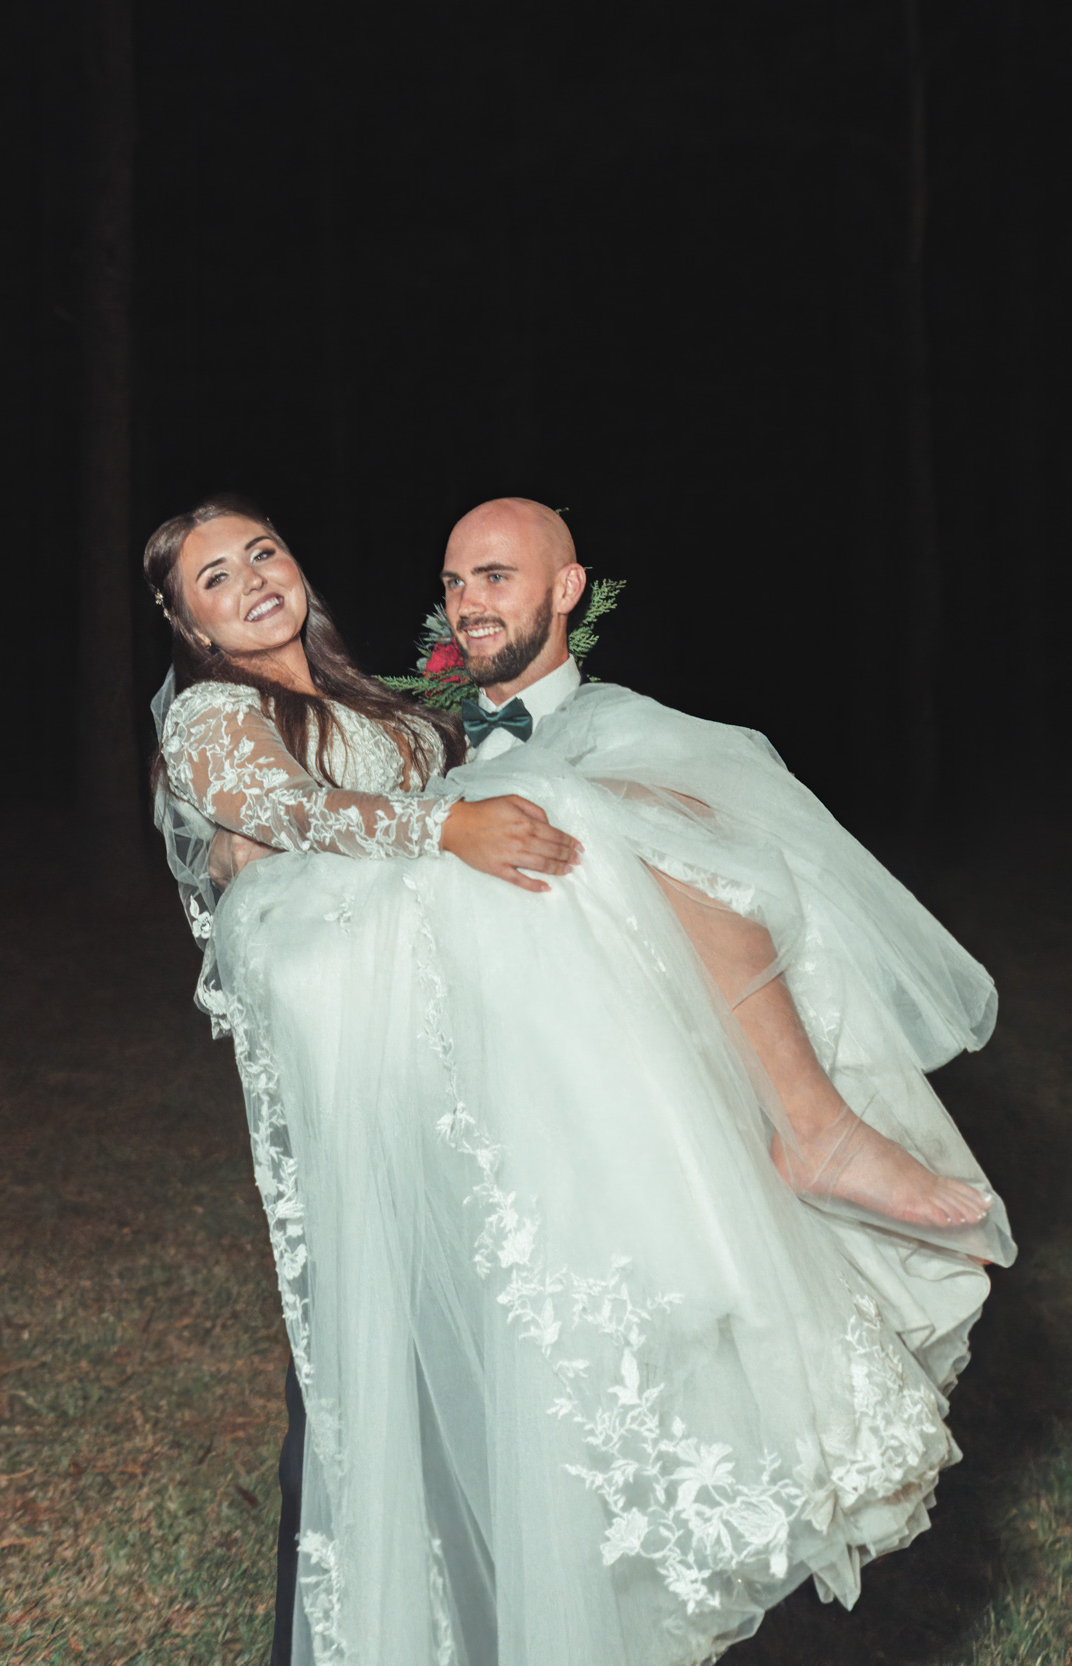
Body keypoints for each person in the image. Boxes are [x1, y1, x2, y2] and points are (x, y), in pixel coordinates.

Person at [149, 496, 1013, 1666]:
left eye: (263, 551)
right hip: (342, 1008)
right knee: (367, 1392)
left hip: (433, 1040)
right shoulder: (213, 710)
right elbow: (288, 810)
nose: (252, 579)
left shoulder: (400, 718)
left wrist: (604, 813)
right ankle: (810, 1133)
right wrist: (447, 832)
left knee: (494, 1362)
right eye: (214, 578)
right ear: (185, 621)